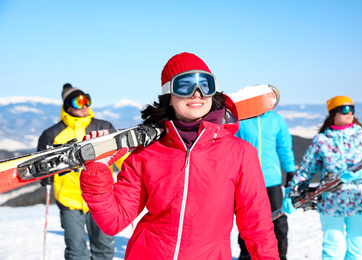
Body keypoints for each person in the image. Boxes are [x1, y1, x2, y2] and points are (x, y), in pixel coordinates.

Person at [79, 52, 279, 259]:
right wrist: (97, 171)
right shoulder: (147, 153)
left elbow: (258, 227)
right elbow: (114, 221)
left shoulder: (240, 153)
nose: (197, 93)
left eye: (205, 85)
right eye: (185, 86)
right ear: (169, 96)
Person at [283, 95, 362, 260]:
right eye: (344, 109)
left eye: (352, 109)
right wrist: (291, 194)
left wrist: (359, 174)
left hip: (358, 200)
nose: (349, 113)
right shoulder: (321, 141)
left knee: (359, 249)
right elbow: (306, 171)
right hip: (331, 203)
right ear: (333, 114)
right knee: (333, 250)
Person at [38, 83, 120, 260]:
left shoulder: (103, 127)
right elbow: (41, 165)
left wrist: (133, 171)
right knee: (76, 251)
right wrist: (45, 177)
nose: (84, 106)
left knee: (104, 247)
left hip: (102, 198)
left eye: (86, 100)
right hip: (70, 201)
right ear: (67, 106)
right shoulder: (52, 135)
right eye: (78, 102)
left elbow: (121, 156)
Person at [236, 110, 296, 260]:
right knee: (248, 220)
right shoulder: (242, 121)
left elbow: (284, 147)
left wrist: (290, 171)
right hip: (247, 180)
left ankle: (281, 255)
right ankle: (246, 254)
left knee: (279, 220)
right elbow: (233, 148)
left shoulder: (276, 120)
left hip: (272, 180)